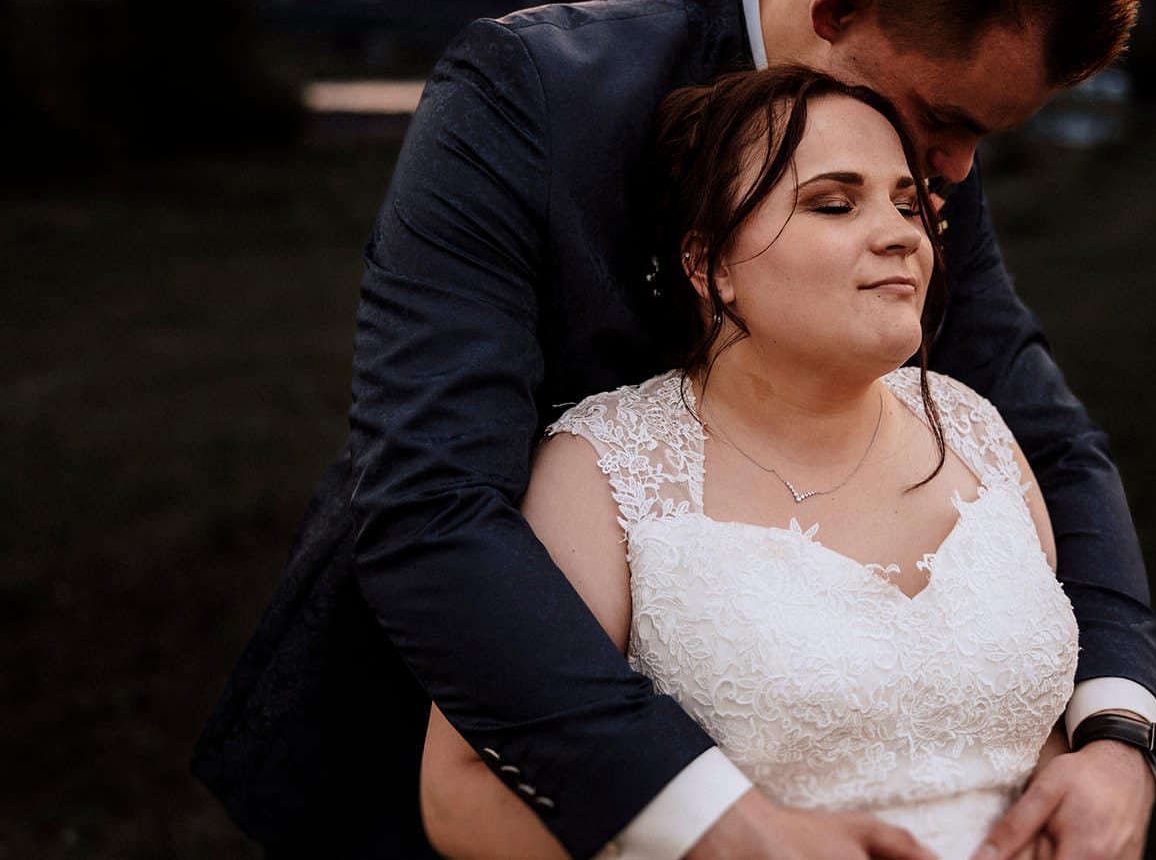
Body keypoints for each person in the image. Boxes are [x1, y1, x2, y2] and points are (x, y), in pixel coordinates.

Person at [192, 0, 1156, 860]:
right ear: (842, 7)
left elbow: (1050, 441)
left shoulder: (911, 147)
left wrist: (1120, 727)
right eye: (947, 124)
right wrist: (710, 816)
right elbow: (431, 502)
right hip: (467, 763)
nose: (951, 177)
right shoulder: (529, 96)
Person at [420, 63, 1082, 860]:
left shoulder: (976, 429)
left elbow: (1036, 732)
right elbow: (463, 790)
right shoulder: (608, 471)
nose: (904, 232)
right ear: (711, 266)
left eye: (909, 203)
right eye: (836, 203)